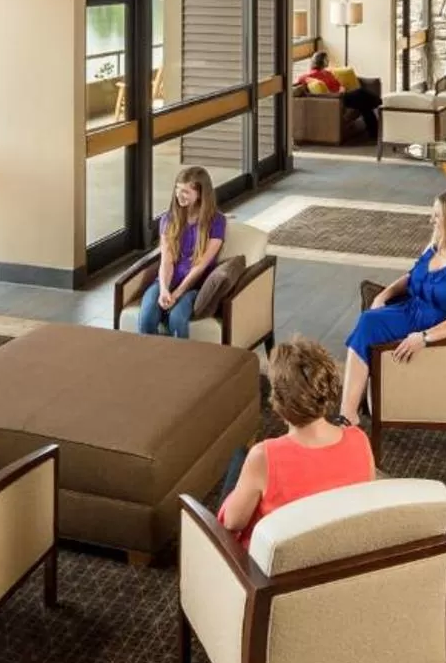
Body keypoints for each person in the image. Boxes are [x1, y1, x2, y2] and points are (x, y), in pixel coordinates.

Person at [338, 191, 446, 427]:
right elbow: (411, 277)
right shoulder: (436, 245)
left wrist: (424, 338)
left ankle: (348, 415)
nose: (432, 220)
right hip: (409, 309)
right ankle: (349, 412)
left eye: (437, 215)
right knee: (369, 319)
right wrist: (384, 294)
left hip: (433, 325)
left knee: (368, 323)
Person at [214, 338, 375, 542]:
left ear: (278, 402)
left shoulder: (265, 456)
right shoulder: (359, 440)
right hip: (337, 555)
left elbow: (232, 523)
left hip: (270, 568)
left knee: (240, 458)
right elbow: (367, 505)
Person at [137, 166, 226, 336]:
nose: (179, 195)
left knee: (177, 319)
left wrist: (177, 293)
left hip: (195, 286)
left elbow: (201, 265)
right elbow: (166, 261)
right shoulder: (168, 219)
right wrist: (164, 289)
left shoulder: (217, 222)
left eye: (185, 191)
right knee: (147, 317)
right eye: (177, 189)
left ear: (200, 194)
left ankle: (179, 360)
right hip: (168, 281)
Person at [298, 49, 381, 138]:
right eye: (326, 59)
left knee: (364, 105)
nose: (328, 61)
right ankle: (380, 103)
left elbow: (339, 85)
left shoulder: (328, 73)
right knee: (360, 93)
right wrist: (338, 93)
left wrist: (342, 89)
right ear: (320, 61)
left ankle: (374, 134)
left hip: (343, 94)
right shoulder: (309, 75)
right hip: (336, 99)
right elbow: (301, 80)